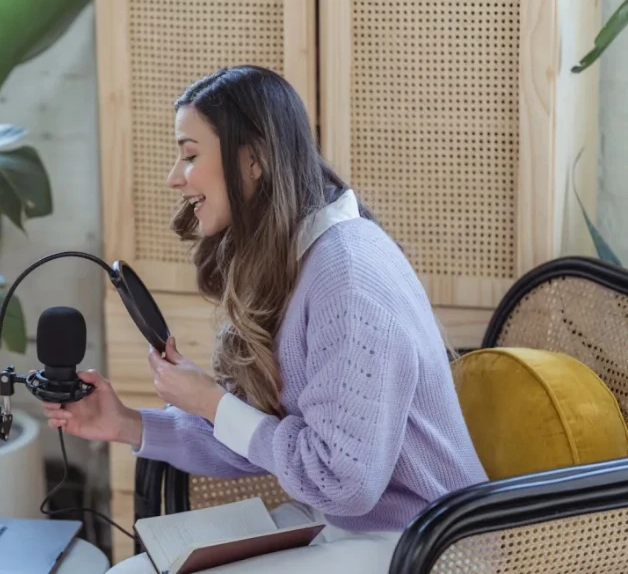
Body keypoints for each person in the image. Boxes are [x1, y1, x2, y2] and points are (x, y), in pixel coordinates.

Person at [43, 65, 488, 573]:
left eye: (190, 155)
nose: (174, 177)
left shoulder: (347, 277)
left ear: (251, 159)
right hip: (343, 525)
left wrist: (212, 403)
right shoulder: (292, 259)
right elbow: (263, 438)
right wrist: (125, 423)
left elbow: (344, 481)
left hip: (423, 546)